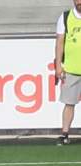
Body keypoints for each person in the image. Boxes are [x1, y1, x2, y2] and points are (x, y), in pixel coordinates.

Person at [55, 0, 81, 145]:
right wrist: (58, 65)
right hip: (71, 69)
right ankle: (65, 134)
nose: (79, 2)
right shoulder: (65, 17)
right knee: (69, 103)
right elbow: (59, 42)